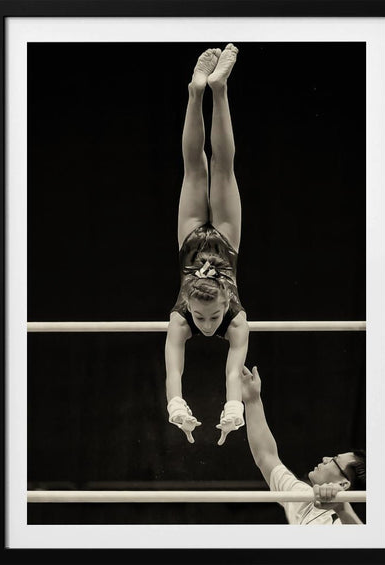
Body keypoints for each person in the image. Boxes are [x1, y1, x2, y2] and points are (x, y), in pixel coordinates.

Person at [165, 44, 249, 446]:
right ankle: (218, 88)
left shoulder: (179, 318)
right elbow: (232, 370)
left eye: (210, 317)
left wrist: (177, 405)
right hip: (226, 239)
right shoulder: (237, 318)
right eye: (204, 317)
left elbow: (174, 372)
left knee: (195, 167)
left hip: (190, 237)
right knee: (223, 167)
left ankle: (197, 91)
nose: (208, 323)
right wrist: (233, 408)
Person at [241, 365, 366, 525]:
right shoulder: (303, 498)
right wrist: (252, 400)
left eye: (334, 459)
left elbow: (365, 540)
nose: (325, 458)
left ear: (343, 484)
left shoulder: (341, 524)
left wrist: (342, 508)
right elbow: (266, 456)